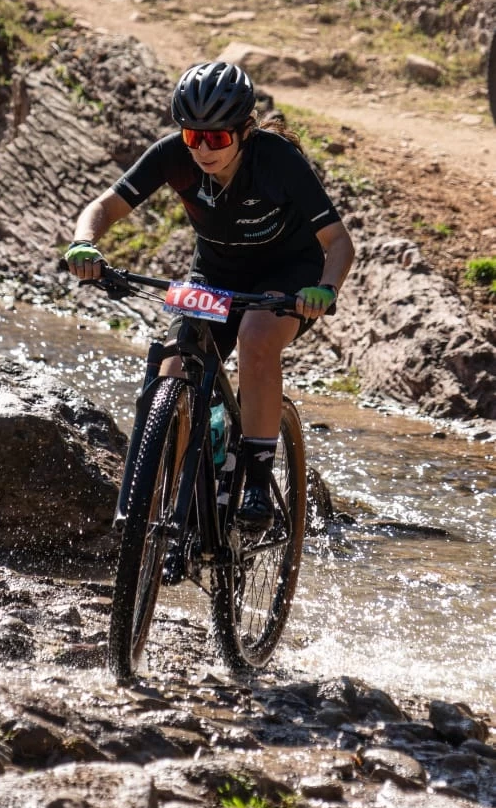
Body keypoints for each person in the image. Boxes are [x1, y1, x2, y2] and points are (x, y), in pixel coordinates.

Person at [64, 60, 355, 530]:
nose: (202, 148)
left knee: (257, 337)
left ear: (243, 131)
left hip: (287, 276)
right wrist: (84, 242)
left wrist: (323, 289)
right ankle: (161, 492)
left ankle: (257, 482)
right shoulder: (174, 157)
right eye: (192, 136)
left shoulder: (277, 161)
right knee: (173, 366)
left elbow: (339, 244)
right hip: (215, 276)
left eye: (216, 138)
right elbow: (103, 207)